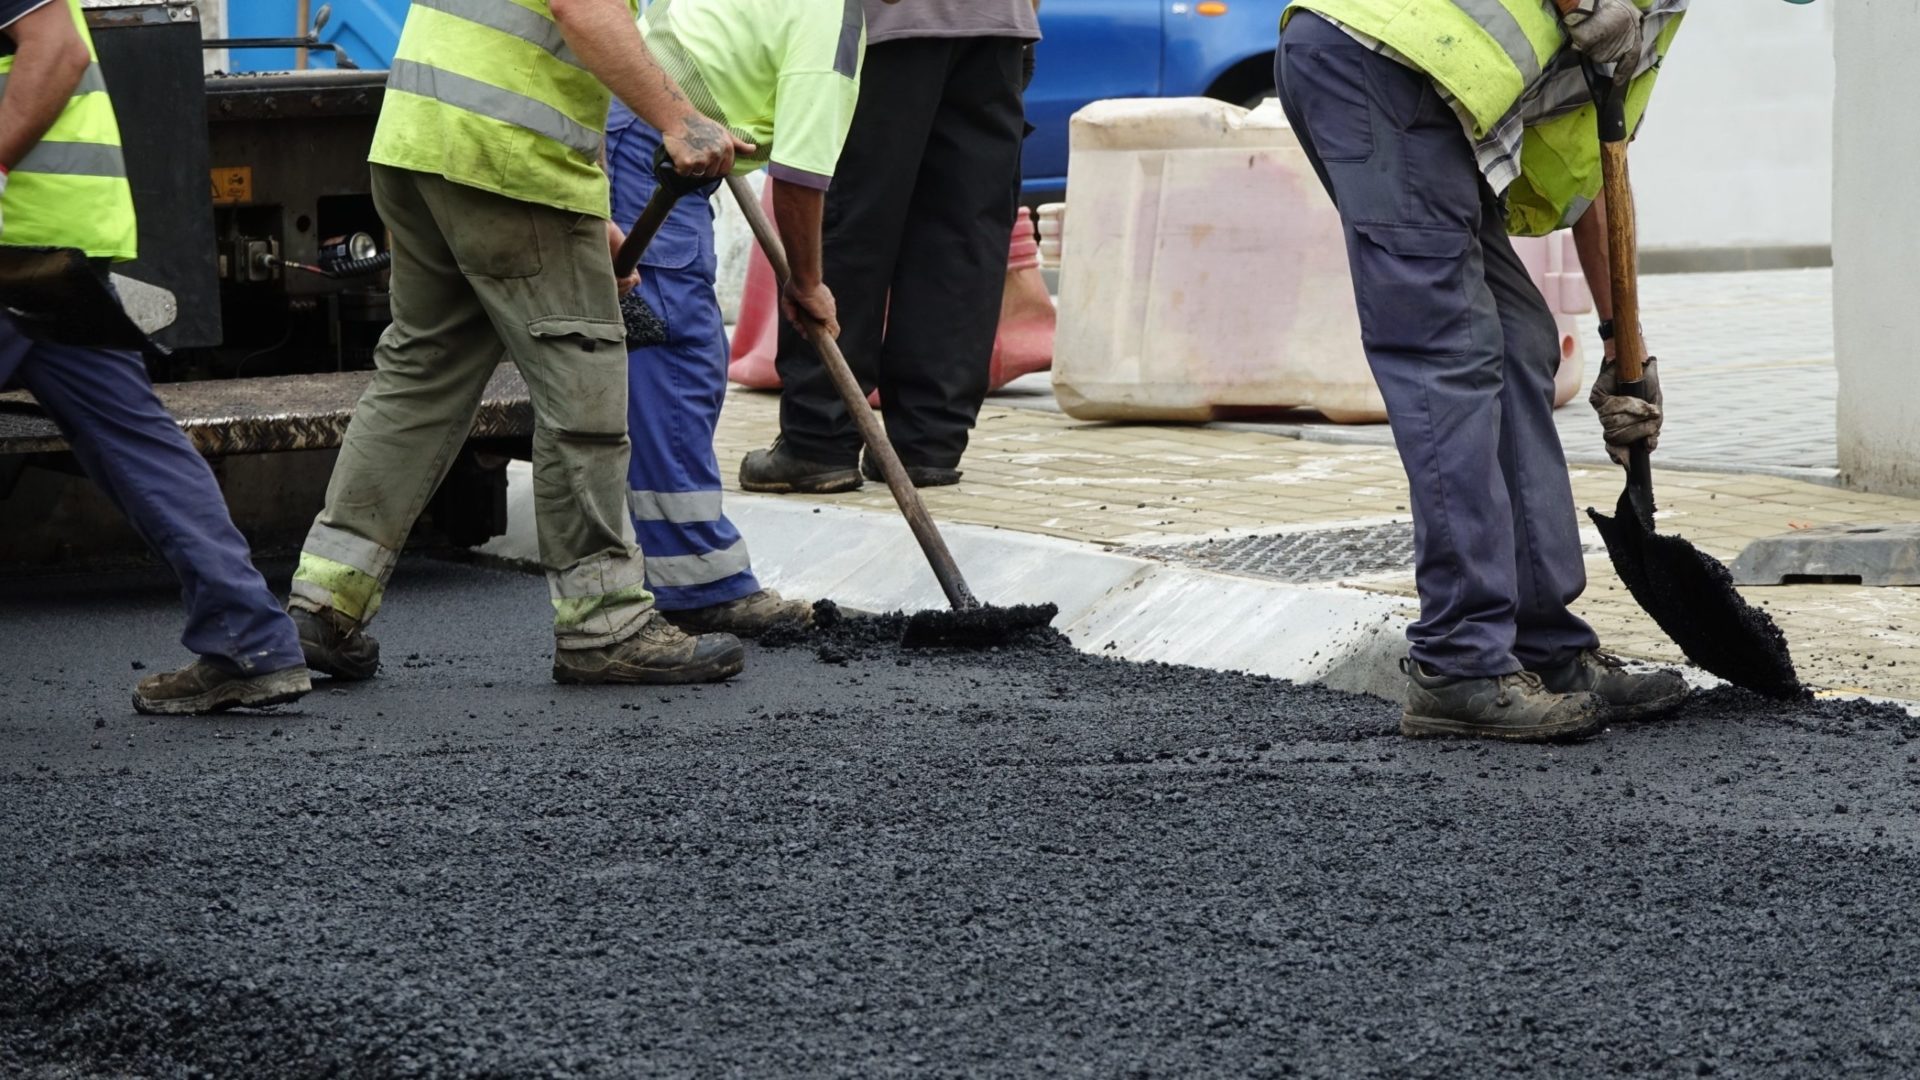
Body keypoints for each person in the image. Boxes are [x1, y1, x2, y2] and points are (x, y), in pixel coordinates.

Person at [1272, 0, 1736, 742]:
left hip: (1413, 84)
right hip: (1373, 59)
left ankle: (1541, 645)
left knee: (1520, 338)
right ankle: (1459, 663)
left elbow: (1592, 170)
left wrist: (1625, 348)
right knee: (1449, 353)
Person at [287, 0, 755, 687]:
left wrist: (595, 207)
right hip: (508, 158)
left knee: (420, 378)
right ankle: (604, 622)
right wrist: (678, 118)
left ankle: (325, 602)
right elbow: (581, 9)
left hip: (420, 144)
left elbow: (558, 52)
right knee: (582, 382)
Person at [0, 0, 310, 715]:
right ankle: (252, 643)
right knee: (135, 442)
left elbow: (57, 49)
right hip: (52, 246)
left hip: (19, 240)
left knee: (134, 441)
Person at [604, 0, 878, 637]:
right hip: (653, 138)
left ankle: (653, 560)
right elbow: (801, 177)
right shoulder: (834, 21)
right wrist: (806, 283)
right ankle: (695, 582)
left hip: (646, 120)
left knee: (660, 353)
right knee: (677, 356)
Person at [740, 0, 1039, 493]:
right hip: (995, 27)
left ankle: (819, 441)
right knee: (959, 240)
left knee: (848, 228)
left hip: (879, 28)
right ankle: (927, 441)